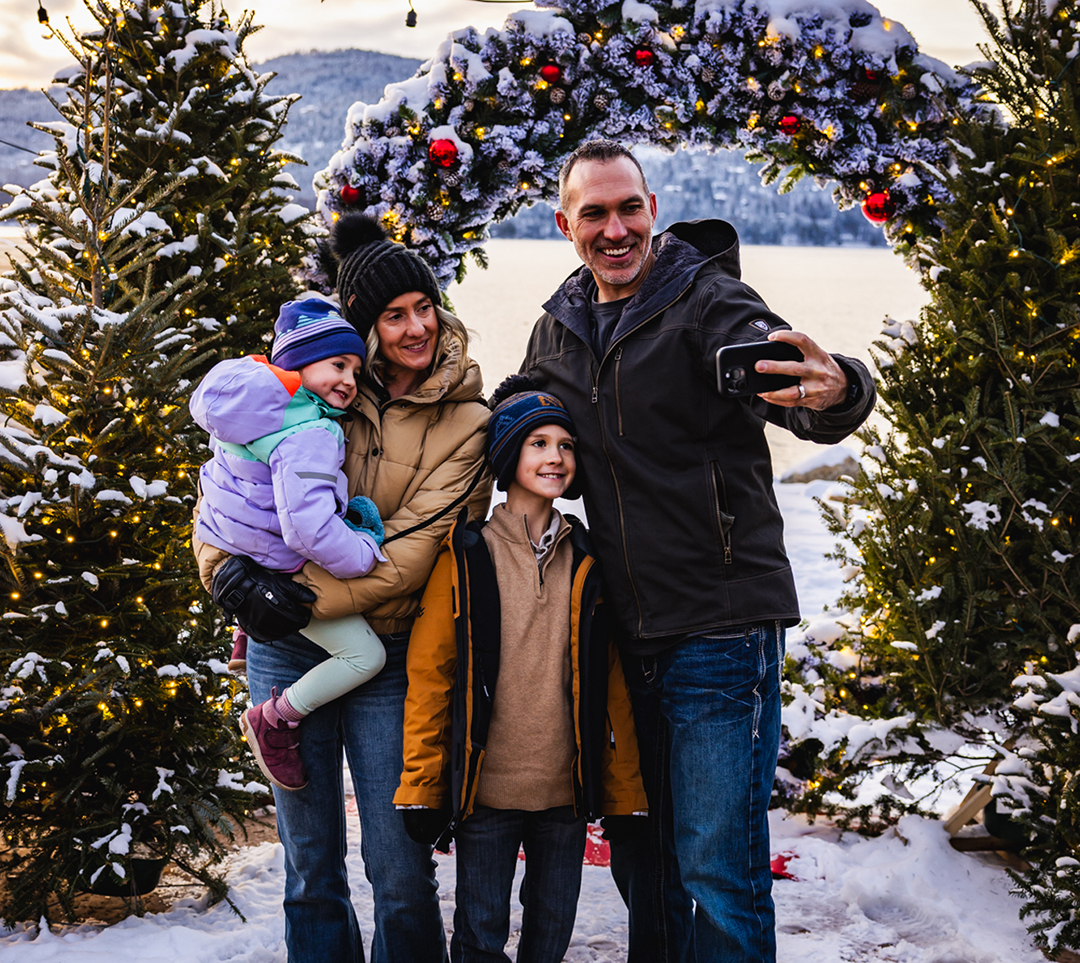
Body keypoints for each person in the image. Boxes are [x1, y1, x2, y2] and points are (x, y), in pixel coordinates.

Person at [520, 140, 877, 963]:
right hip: (625, 630)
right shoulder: (560, 324)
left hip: (720, 625)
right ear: (565, 222)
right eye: (596, 213)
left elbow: (795, 378)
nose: (617, 229)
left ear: (653, 206)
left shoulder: (707, 298)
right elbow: (518, 415)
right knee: (648, 858)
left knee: (720, 865)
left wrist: (840, 388)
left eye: (629, 208)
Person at [194, 213, 492, 963]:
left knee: (398, 866)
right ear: (360, 330)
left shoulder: (465, 420)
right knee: (310, 861)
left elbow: (414, 553)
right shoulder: (314, 391)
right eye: (394, 315)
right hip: (284, 654)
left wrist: (279, 595)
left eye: (424, 306)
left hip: (387, 653)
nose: (416, 326)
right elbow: (227, 496)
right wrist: (227, 574)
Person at [394, 375, 647, 963]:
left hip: (564, 791)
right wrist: (421, 785)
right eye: (538, 443)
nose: (556, 457)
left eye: (565, 444)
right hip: (487, 789)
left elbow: (610, 685)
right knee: (480, 933)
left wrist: (625, 790)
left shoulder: (585, 556)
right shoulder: (466, 554)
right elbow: (431, 676)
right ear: (508, 457)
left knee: (551, 933)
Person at [190, 297, 390, 792]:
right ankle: (274, 719)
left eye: (356, 370)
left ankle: (244, 628)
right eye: (337, 365)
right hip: (281, 567)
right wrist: (364, 551)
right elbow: (308, 531)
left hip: (232, 549)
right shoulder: (311, 431)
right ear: (298, 366)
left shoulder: (251, 414)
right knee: (366, 657)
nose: (349, 380)